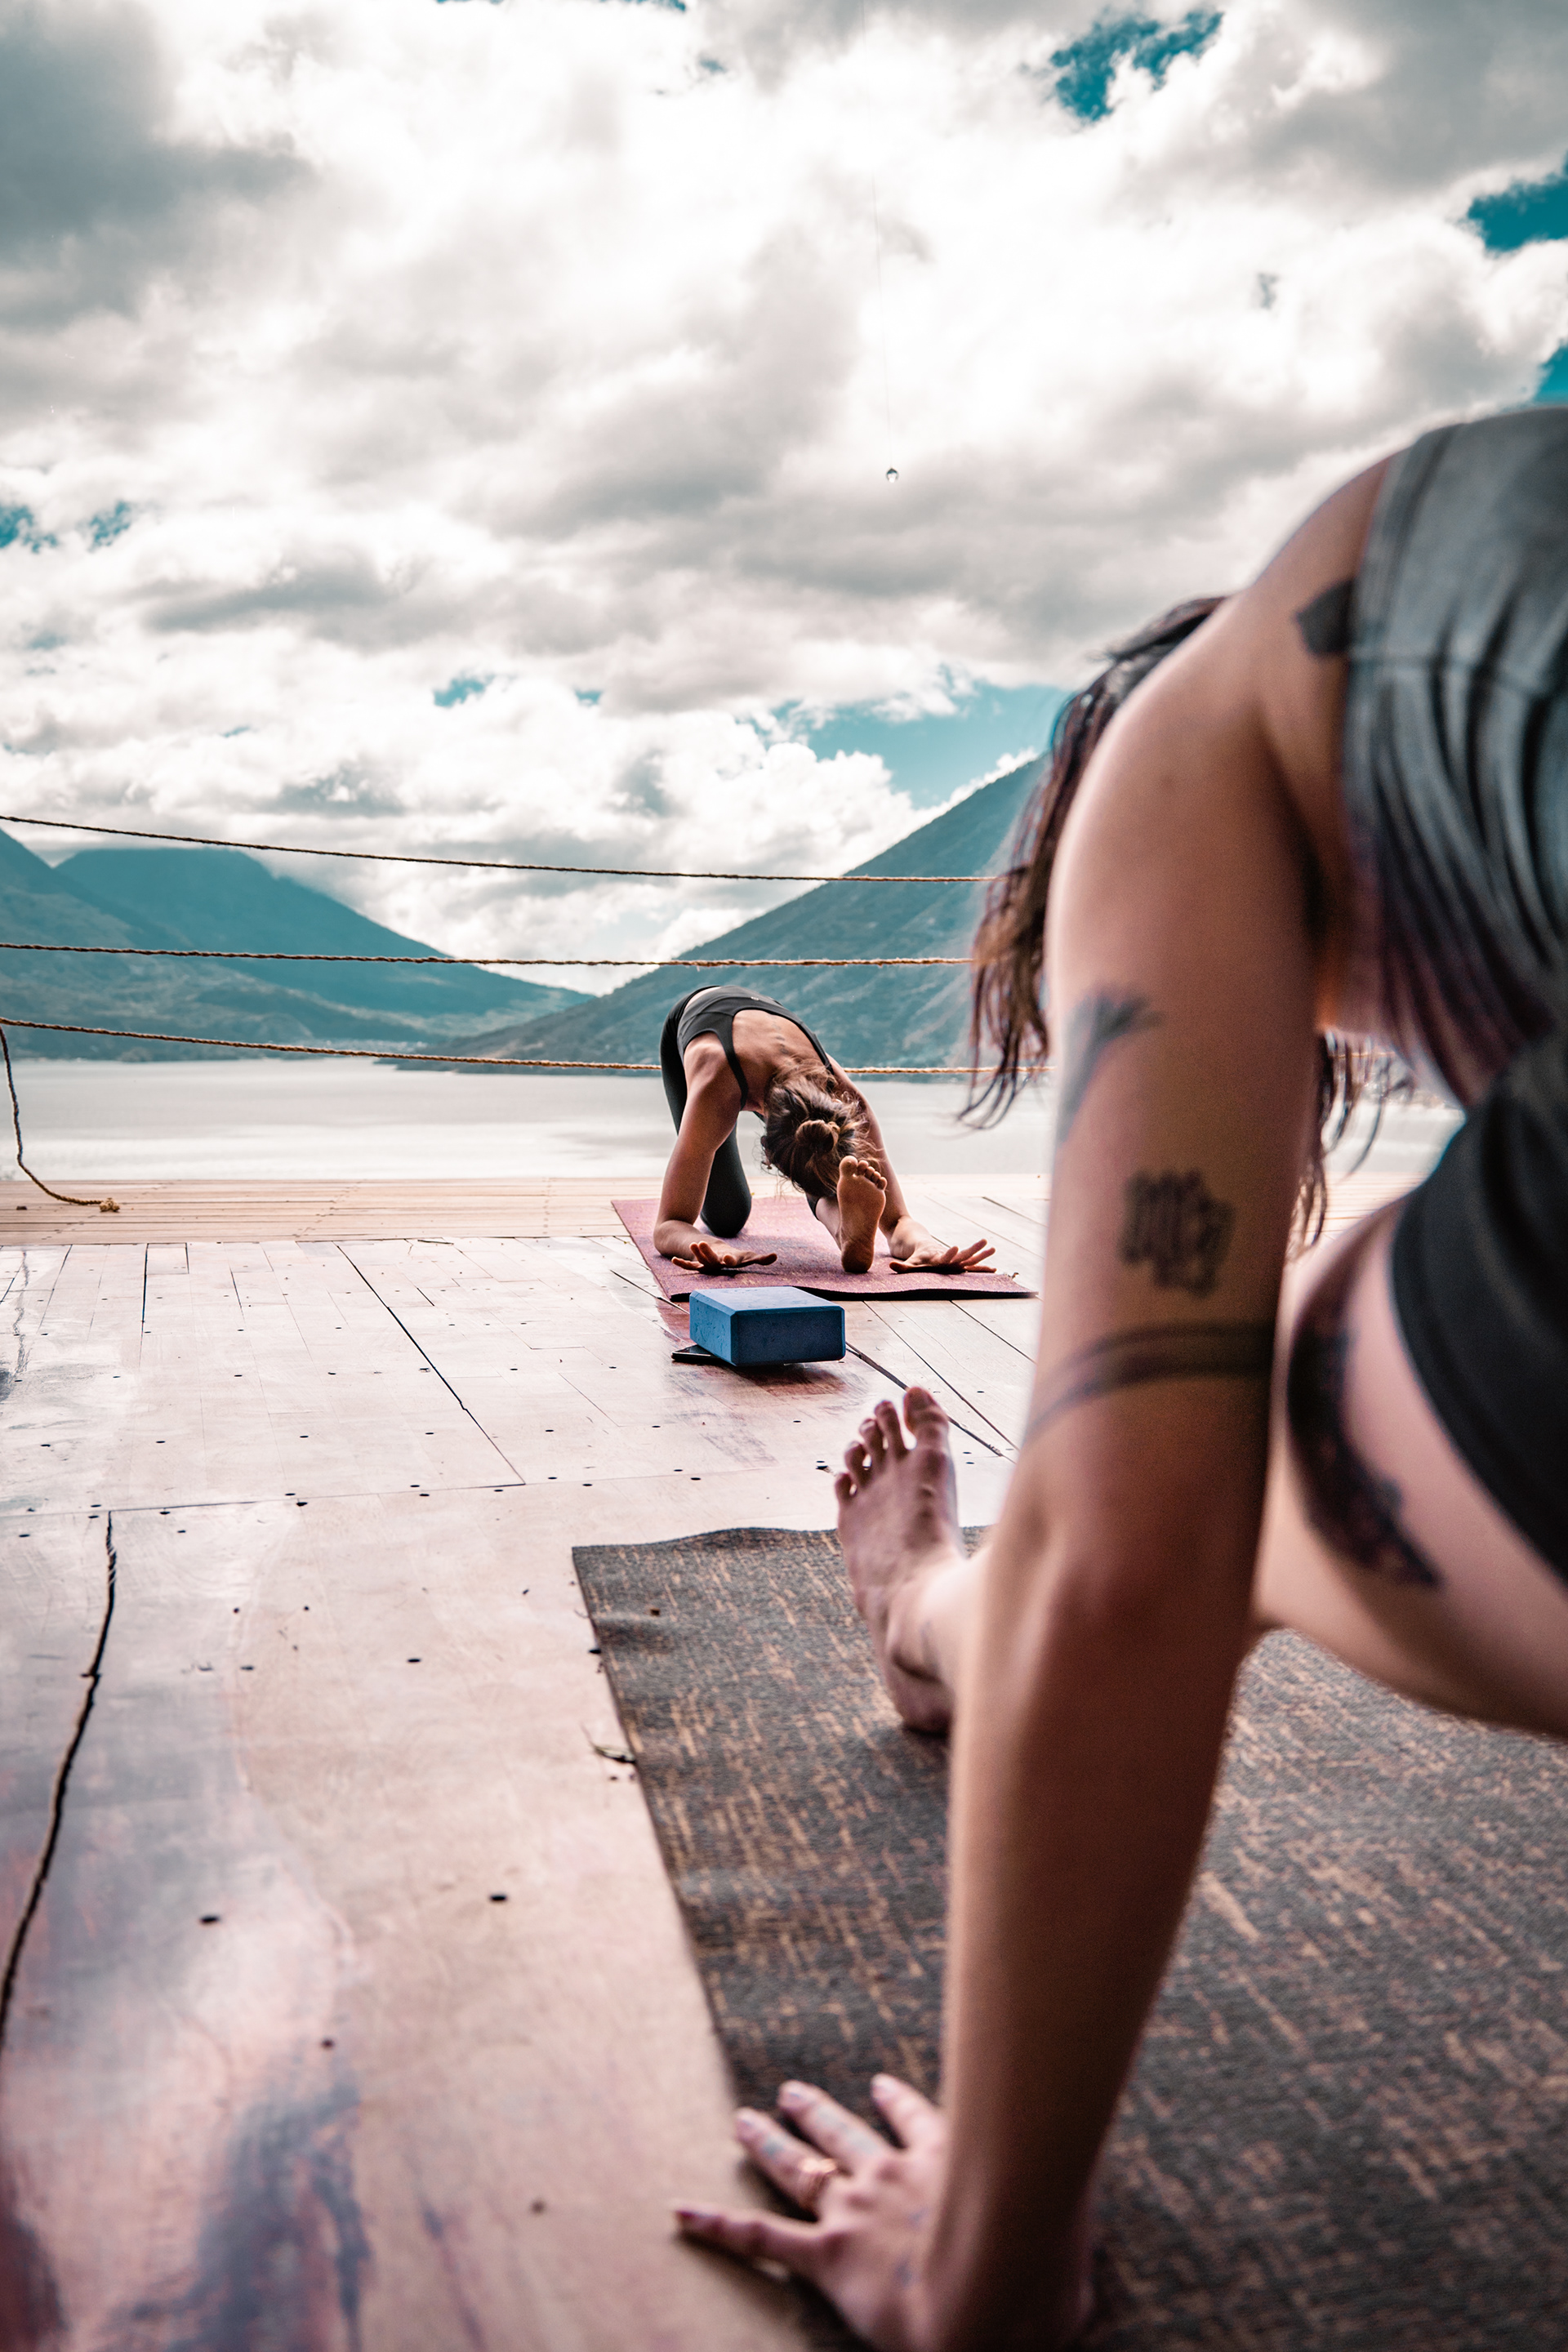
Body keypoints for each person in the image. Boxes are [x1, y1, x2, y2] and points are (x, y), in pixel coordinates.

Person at [674, 408, 1568, 2347]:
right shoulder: (1470, 622)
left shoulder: (1195, 743)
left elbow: (1127, 1551)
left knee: (1199, 1439)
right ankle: (934, 1619)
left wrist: (979, 2258)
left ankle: (926, 1617)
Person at [654, 983, 996, 1279]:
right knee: (727, 1217)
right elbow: (669, 1225)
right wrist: (711, 1245)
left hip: (765, 1027)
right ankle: (838, 1216)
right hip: (698, 1018)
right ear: (768, 1153)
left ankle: (847, 1233)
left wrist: (926, 1245)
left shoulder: (845, 1104)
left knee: (749, 1204)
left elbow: (898, 1222)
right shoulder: (716, 1086)